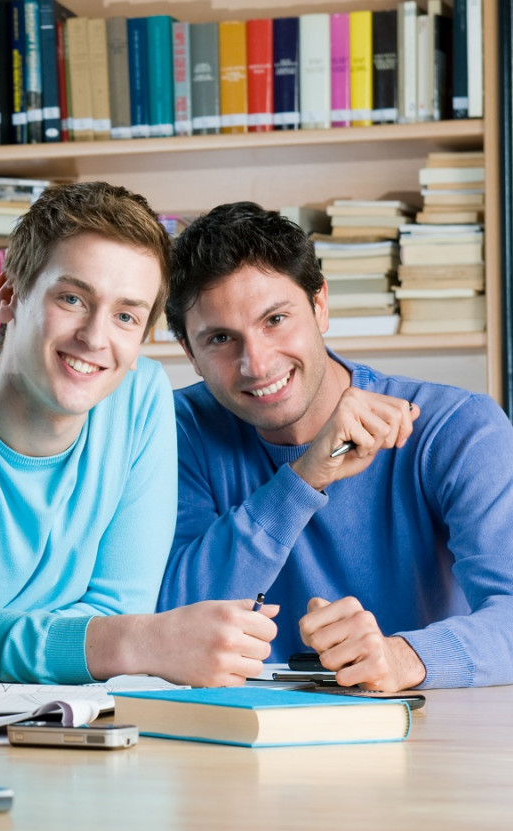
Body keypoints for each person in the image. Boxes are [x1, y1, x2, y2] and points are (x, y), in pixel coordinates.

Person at [0, 181, 280, 686]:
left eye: (125, 316)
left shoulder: (140, 399)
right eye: (72, 298)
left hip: (80, 712)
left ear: (140, 339)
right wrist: (140, 643)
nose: (95, 338)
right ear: (7, 295)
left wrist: (112, 640)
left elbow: (119, 606)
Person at [158, 201, 513, 691]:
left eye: (276, 319)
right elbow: (171, 619)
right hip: (234, 737)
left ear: (320, 305)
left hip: (422, 731)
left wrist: (402, 657)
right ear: (189, 353)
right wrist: (304, 478)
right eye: (221, 338)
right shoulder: (175, 431)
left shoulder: (458, 429)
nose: (256, 365)